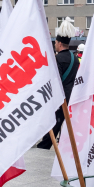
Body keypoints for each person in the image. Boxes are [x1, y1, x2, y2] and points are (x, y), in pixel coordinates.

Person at [37, 18, 79, 149]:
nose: (55, 44)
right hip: (72, 96)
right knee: (66, 125)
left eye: (55, 42)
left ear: (60, 43)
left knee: (54, 124)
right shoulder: (75, 58)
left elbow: (56, 81)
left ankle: (44, 147)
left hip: (59, 98)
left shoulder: (58, 58)